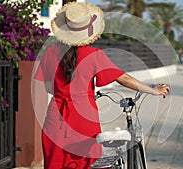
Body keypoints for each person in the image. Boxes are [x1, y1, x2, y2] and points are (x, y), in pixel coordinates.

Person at [34, 2, 170, 169]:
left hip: (55, 119)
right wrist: (153, 90)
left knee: (55, 164)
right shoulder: (93, 55)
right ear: (87, 31)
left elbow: (48, 88)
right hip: (83, 119)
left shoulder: (49, 52)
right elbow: (124, 78)